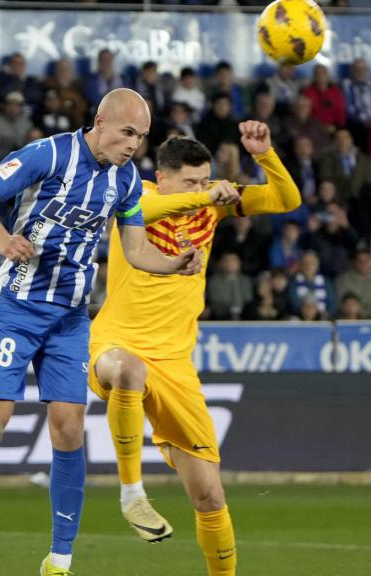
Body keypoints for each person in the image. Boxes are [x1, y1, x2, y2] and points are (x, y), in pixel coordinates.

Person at [0, 88, 202, 576]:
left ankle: (60, 560)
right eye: (127, 133)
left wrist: (174, 264)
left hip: (70, 318)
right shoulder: (48, 153)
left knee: (69, 430)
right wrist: (2, 239)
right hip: (17, 307)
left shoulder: (125, 182)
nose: (133, 146)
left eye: (141, 138)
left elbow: (138, 250)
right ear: (99, 121)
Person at [89, 122, 300, 575]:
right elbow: (148, 211)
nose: (201, 189)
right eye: (190, 182)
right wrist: (208, 195)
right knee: (127, 372)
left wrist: (265, 156)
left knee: (210, 496)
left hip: (177, 365)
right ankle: (132, 494)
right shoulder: (136, 194)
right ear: (162, 178)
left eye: (205, 180)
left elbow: (287, 200)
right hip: (117, 343)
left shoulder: (211, 207)